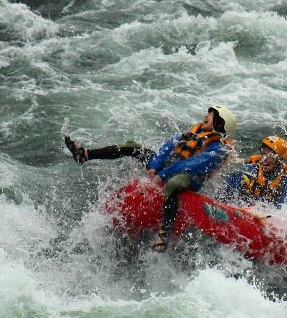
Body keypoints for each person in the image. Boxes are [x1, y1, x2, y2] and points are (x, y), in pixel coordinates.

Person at [66, 105, 236, 246]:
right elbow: (169, 145)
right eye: (209, 112)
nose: (207, 115)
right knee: (132, 147)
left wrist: (163, 174)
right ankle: (86, 154)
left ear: (220, 124)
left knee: (173, 183)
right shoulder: (197, 131)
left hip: (190, 178)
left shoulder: (219, 148)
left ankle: (164, 232)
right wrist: (155, 165)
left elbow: (191, 165)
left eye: (212, 115)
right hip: (169, 166)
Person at [223, 135, 287, 206]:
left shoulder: (286, 179)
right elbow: (225, 194)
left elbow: (284, 208)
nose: (265, 159)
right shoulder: (249, 171)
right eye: (263, 154)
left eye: (270, 156)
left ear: (280, 159)